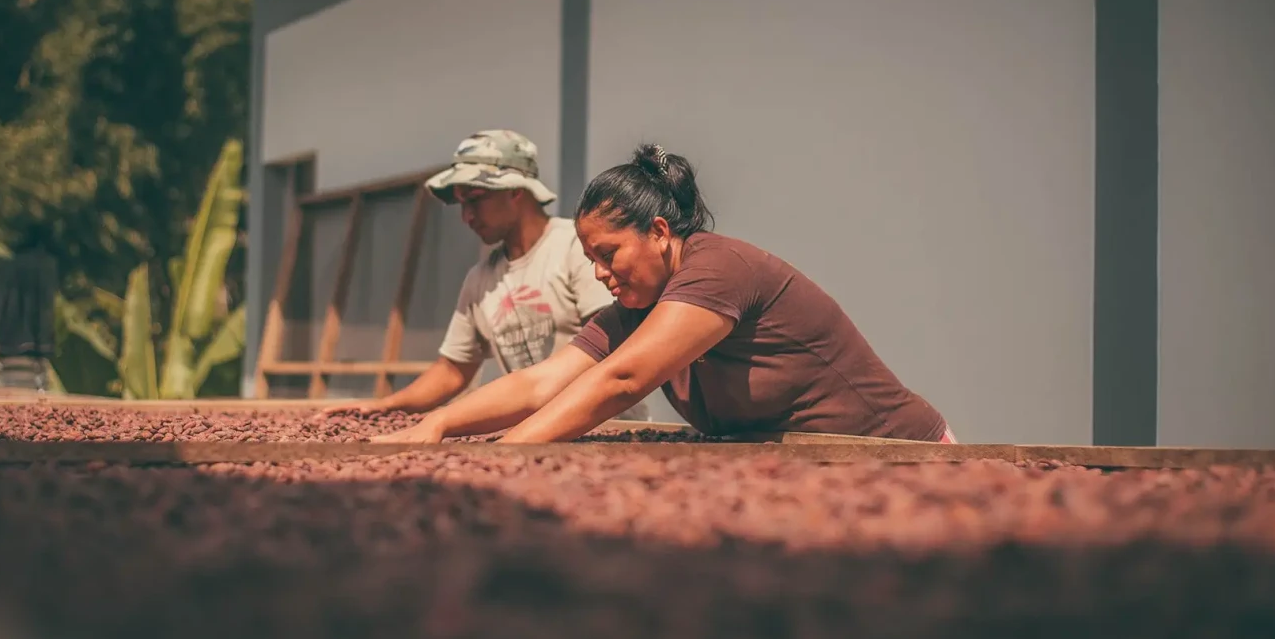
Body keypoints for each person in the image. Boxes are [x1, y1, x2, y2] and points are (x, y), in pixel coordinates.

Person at [372, 143, 954, 445]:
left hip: (903, 453)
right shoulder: (635, 310)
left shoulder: (718, 267)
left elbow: (622, 381)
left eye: (609, 254)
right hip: (808, 467)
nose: (600, 272)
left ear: (657, 233)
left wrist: (502, 457)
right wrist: (440, 428)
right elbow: (542, 382)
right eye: (591, 258)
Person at [315, 129, 648, 422]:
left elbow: (609, 348)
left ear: (516, 191)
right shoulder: (480, 279)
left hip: (605, 427)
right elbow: (452, 370)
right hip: (532, 433)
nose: (467, 217)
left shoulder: (577, 249)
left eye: (475, 200)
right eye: (461, 204)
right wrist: (387, 406)